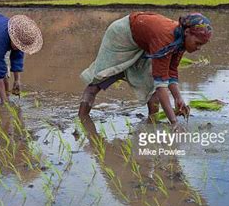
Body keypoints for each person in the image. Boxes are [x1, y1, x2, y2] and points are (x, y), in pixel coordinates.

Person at [78, 12, 212, 128]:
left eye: (202, 45)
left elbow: (171, 71)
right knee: (102, 77)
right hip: (122, 35)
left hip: (143, 43)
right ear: (187, 32)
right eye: (198, 43)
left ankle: (152, 123)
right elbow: (161, 84)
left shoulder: (180, 41)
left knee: (151, 86)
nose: (199, 48)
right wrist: (174, 122)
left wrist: (178, 98)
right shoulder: (165, 38)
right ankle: (82, 119)